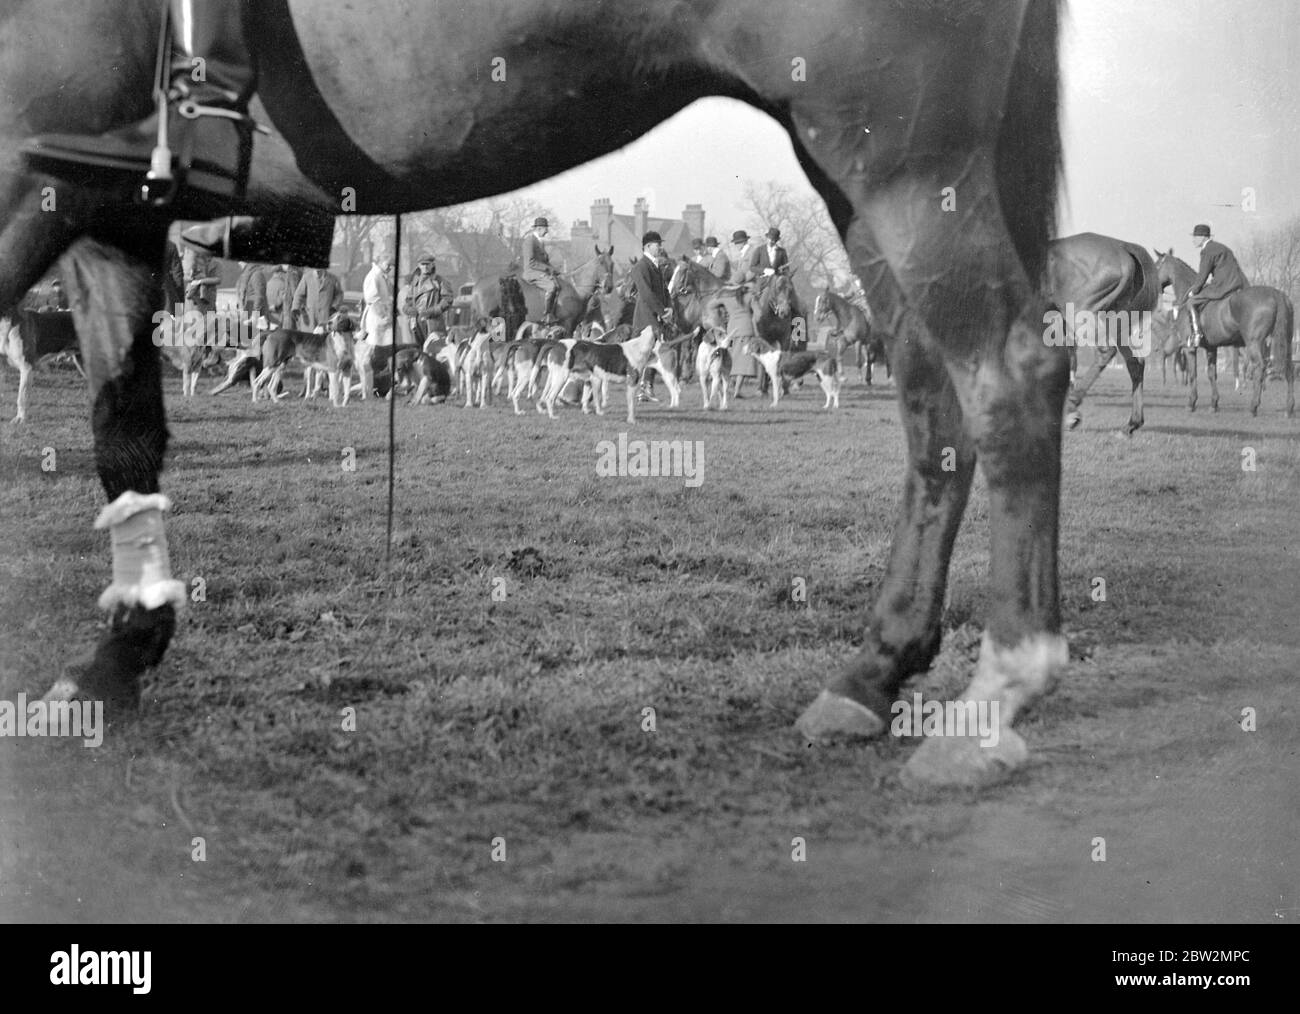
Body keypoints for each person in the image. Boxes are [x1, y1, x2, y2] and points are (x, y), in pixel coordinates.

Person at [1185, 224, 1249, 346]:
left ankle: (1197, 334)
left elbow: (1202, 276)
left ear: (1203, 237)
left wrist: (1194, 291)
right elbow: (1237, 269)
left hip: (1222, 286)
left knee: (1191, 302)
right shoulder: (1223, 248)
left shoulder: (1207, 250)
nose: (1193, 239)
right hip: (1237, 284)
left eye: (1195, 236)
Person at [630, 231, 674, 403]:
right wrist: (663, 312)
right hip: (645, 318)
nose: (660, 247)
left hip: (657, 316)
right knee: (644, 355)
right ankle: (640, 389)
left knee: (653, 354)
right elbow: (647, 294)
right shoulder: (640, 266)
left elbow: (665, 291)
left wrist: (669, 308)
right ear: (648, 246)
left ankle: (646, 388)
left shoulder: (655, 266)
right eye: (657, 244)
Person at [403, 253, 454, 344]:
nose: (425, 267)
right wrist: (408, 309)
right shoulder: (415, 283)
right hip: (416, 323)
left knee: (434, 350)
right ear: (419, 266)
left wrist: (433, 311)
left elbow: (448, 299)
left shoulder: (440, 281)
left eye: (428, 264)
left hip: (433, 322)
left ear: (432, 265)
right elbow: (408, 300)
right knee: (418, 351)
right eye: (423, 264)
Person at [521, 217, 561, 323]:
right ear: (538, 229)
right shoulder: (529, 241)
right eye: (545, 229)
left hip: (539, 271)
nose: (547, 232)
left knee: (558, 284)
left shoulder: (539, 242)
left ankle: (552, 312)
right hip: (531, 272)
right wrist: (548, 269)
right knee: (551, 287)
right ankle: (546, 315)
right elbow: (531, 262)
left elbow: (543, 262)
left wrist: (553, 269)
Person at [293, 266, 344, 332]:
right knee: (309, 339)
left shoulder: (333, 278)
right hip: (310, 316)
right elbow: (298, 294)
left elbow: (339, 294)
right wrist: (295, 307)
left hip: (326, 315)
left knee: (324, 338)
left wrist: (334, 307)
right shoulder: (307, 277)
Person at [265, 263, 302, 330]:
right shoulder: (282, 284)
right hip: (280, 316)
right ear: (280, 273)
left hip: (270, 316)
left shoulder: (267, 283)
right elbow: (284, 298)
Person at [234, 261, 268, 326]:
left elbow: (259, 295)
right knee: (243, 334)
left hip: (255, 314)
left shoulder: (257, 274)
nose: (238, 263)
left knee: (254, 335)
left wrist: (254, 315)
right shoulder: (245, 275)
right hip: (247, 312)